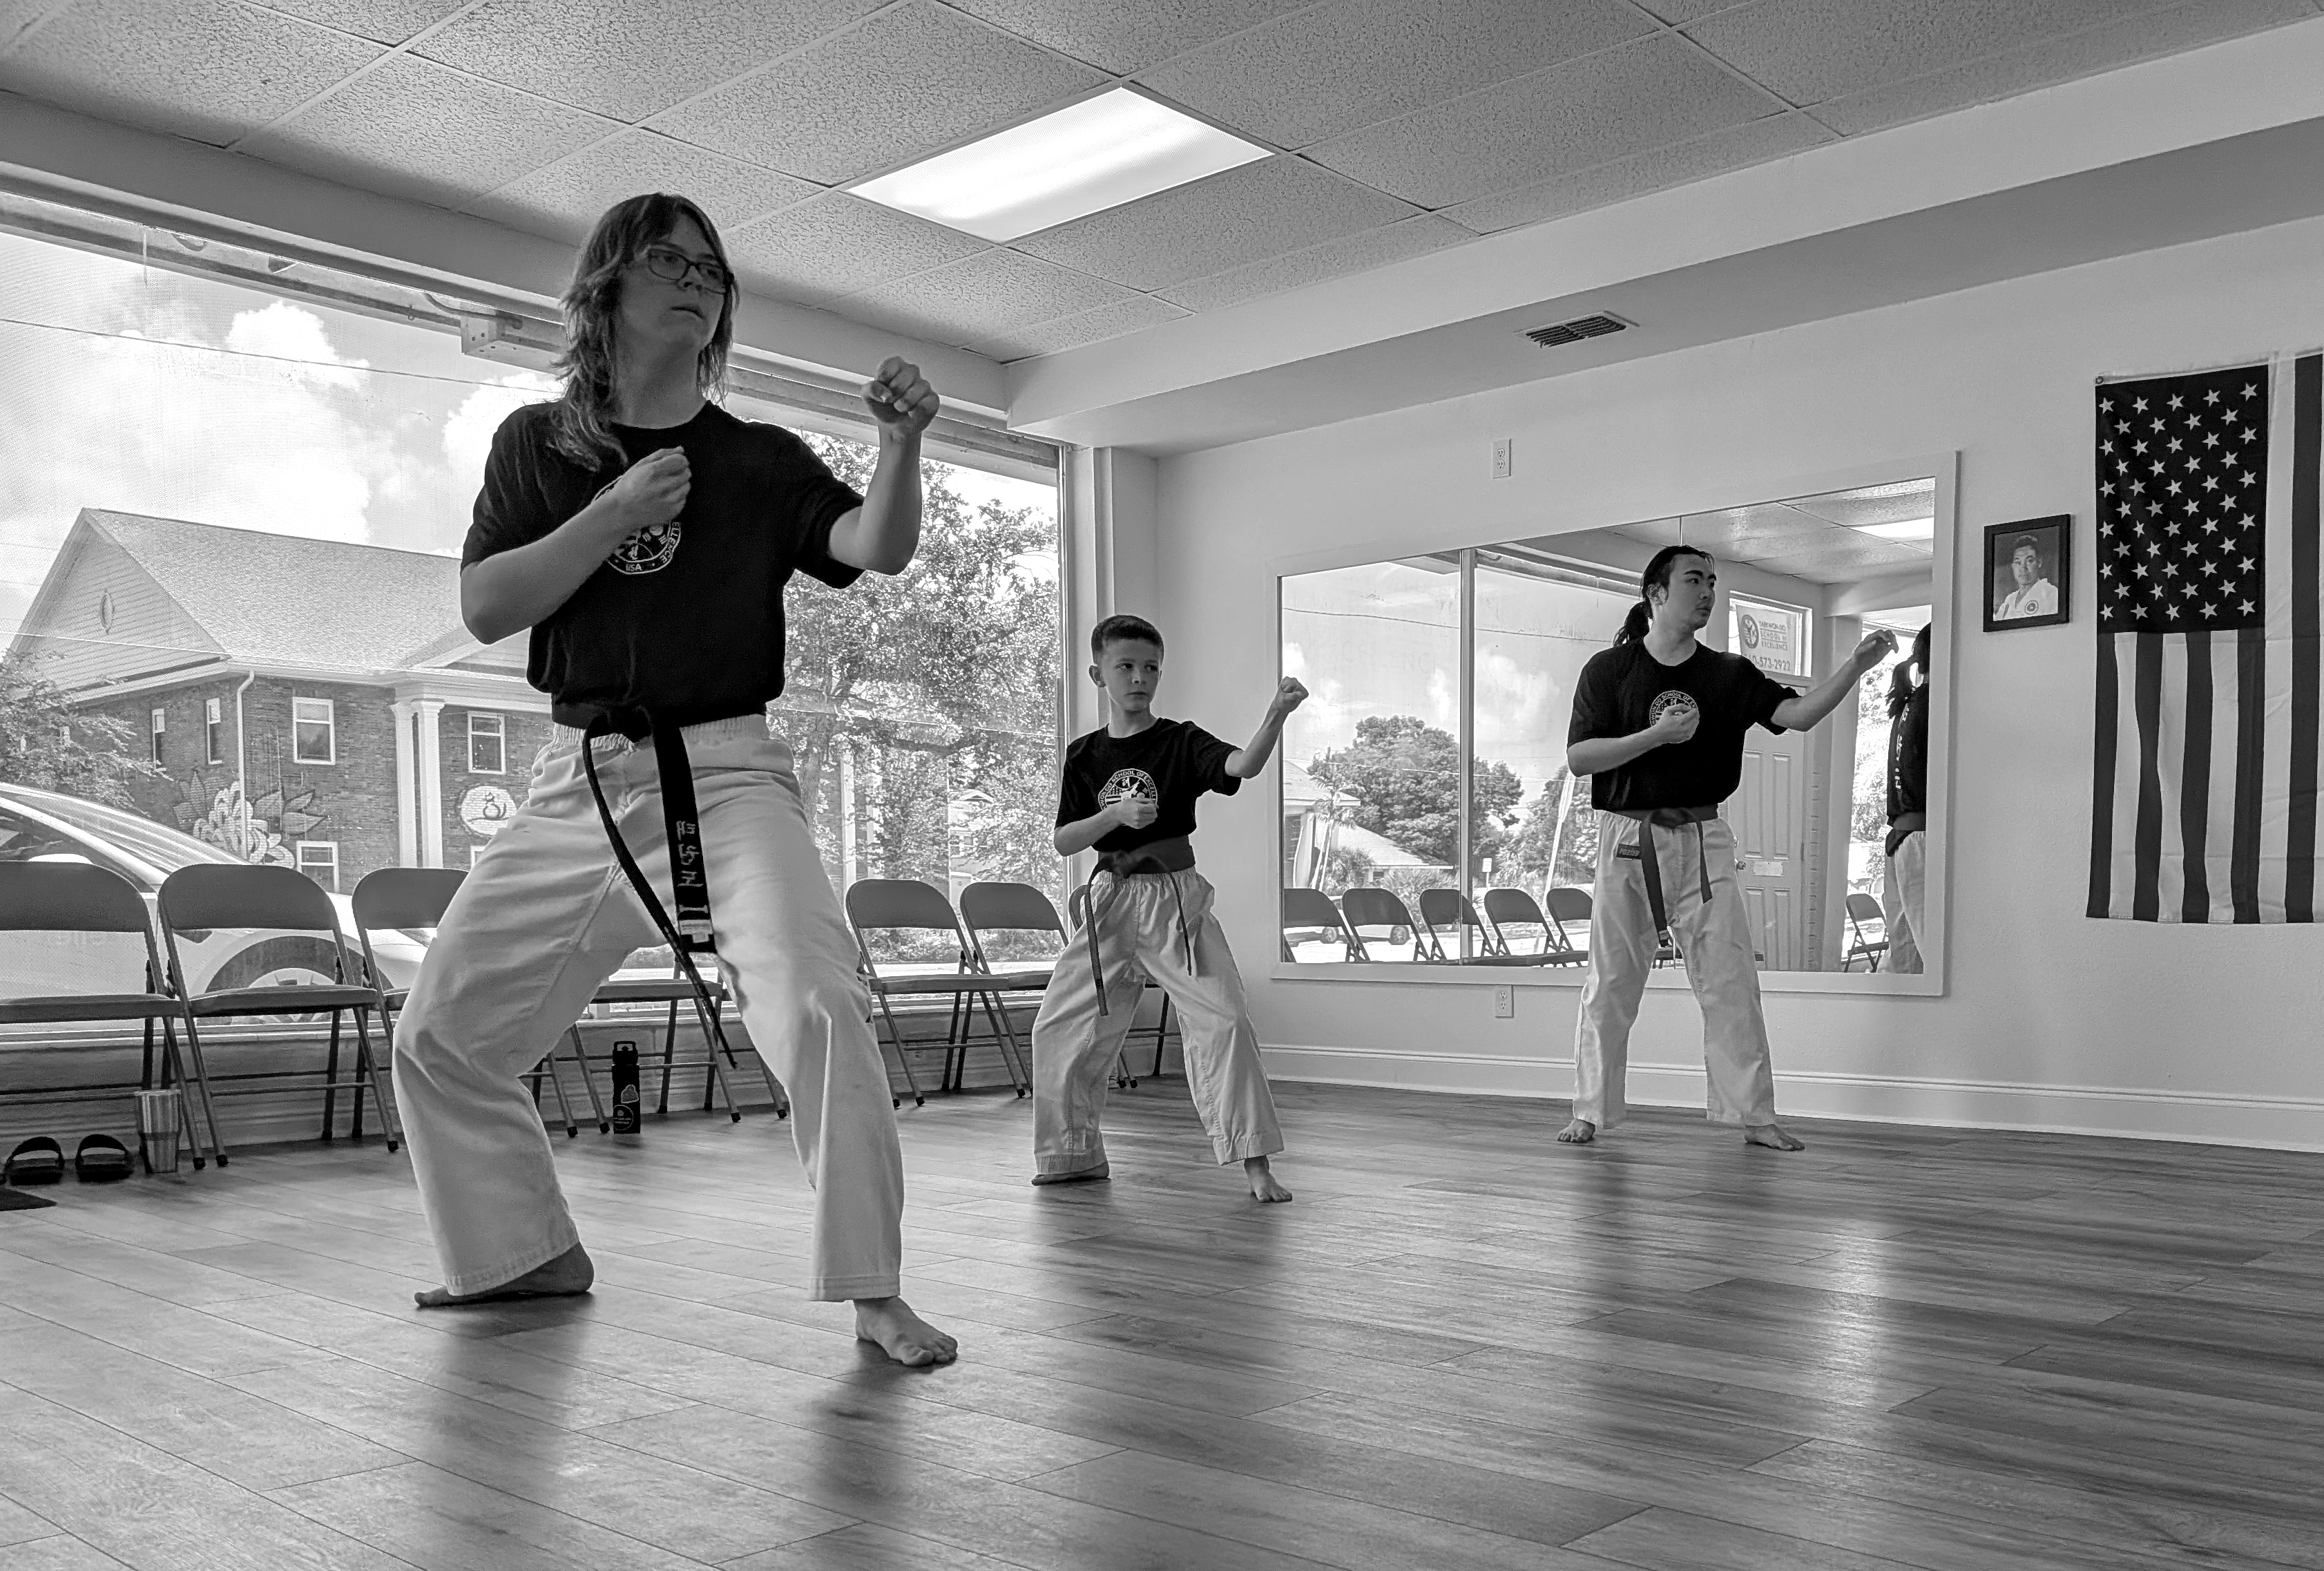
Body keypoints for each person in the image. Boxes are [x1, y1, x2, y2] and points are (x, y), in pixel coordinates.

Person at [392, 192, 957, 1367]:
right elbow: (490, 606)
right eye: (669, 258)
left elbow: (875, 546)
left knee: (817, 998)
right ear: (608, 287)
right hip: (580, 779)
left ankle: (873, 1287)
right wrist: (608, 515)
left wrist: (901, 447)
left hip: (730, 772)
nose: (697, 277)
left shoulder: (755, 459)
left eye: (711, 265)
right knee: (439, 1031)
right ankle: (520, 1252)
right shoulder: (535, 446)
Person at [1557, 547, 1895, 1151]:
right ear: (1656, 593)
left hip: (1702, 837)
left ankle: (1754, 1117)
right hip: (1625, 838)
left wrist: (1856, 666)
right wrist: (1654, 736)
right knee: (1610, 981)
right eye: (1694, 580)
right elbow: (1581, 758)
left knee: (1730, 981)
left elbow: (1797, 715)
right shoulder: (1608, 671)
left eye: (1712, 582)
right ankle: (1589, 1110)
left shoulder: (1728, 676)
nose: (1707, 591)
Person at [1031, 615, 1305, 1201]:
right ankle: (1070, 1155)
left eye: (1150, 667)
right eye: (1125, 666)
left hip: (1172, 900)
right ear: (1097, 673)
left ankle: (1254, 1161)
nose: (1139, 678)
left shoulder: (1179, 740)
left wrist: (1275, 715)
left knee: (1224, 1019)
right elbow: (1065, 841)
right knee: (1060, 1026)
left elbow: (1242, 767)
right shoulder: (1083, 755)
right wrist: (1112, 818)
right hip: (1107, 902)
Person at [1881, 624, 1932, 975]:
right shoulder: (1934, 706)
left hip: (1903, 840)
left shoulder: (1909, 703)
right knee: (1931, 947)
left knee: (1905, 950)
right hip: (1921, 839)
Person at [1995, 535, 2057, 619]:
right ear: (2013, 566)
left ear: (2039, 562)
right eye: (2018, 562)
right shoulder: (2009, 600)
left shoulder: (2051, 594)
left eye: (2029, 561)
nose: (2023, 568)